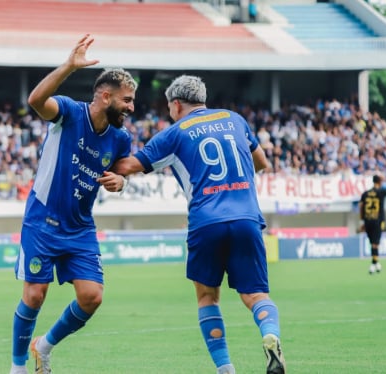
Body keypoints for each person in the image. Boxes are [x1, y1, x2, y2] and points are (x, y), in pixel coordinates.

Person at [103, 75, 284, 374]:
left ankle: (225, 370)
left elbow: (128, 166)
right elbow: (262, 162)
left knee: (207, 297)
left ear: (175, 105)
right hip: (246, 217)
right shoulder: (234, 119)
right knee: (255, 295)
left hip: (206, 221)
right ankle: (270, 334)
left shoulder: (174, 133)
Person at [9, 34, 134, 374]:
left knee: (92, 297)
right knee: (34, 295)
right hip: (43, 220)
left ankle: (44, 345)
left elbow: (123, 172)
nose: (131, 107)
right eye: (127, 100)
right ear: (104, 96)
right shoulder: (68, 112)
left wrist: (122, 182)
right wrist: (68, 65)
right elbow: (36, 100)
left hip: (79, 228)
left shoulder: (121, 139)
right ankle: (17, 368)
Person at [358, 174, 386, 275]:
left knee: (372, 243)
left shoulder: (365, 193)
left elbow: (361, 207)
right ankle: (373, 264)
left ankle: (376, 263)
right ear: (380, 182)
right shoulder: (381, 192)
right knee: (375, 244)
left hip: (367, 220)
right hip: (378, 220)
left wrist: (362, 221)